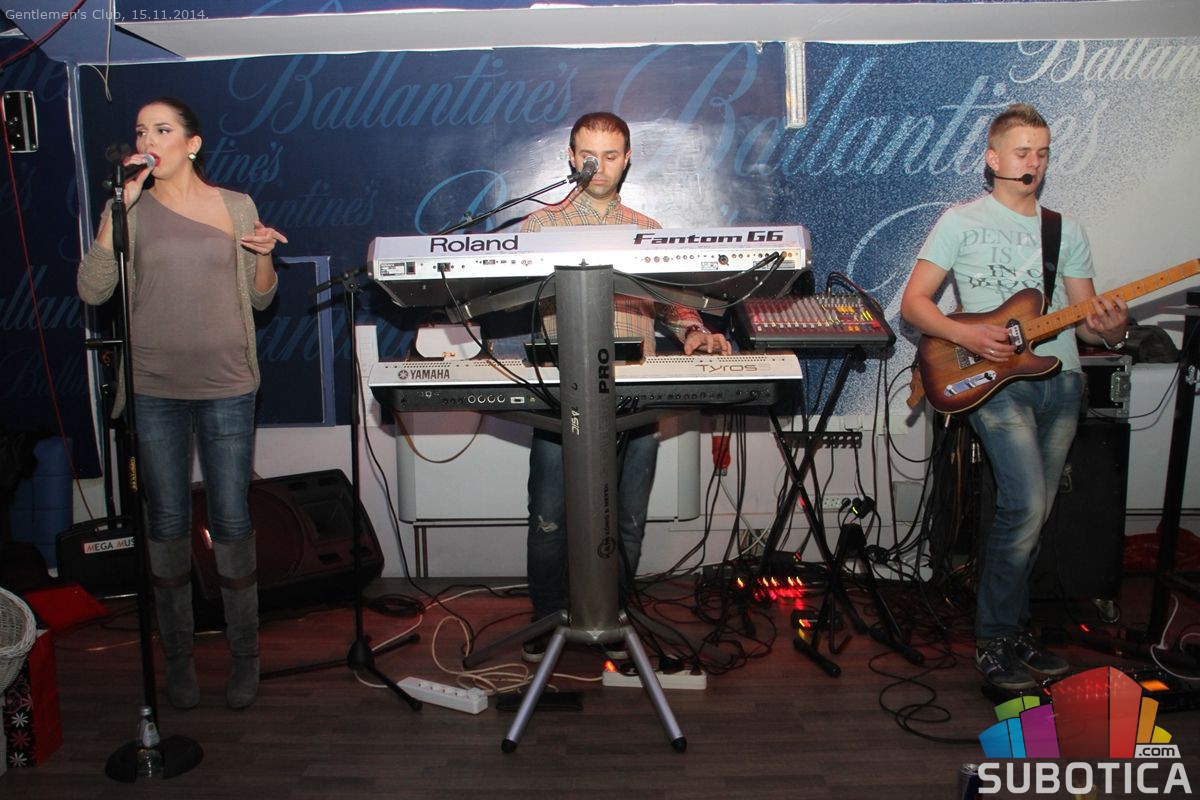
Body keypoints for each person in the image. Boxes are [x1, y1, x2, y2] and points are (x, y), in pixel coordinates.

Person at [900, 103, 1128, 691]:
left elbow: (1086, 325)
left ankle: (1016, 631)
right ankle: (996, 639)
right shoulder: (960, 222)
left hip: (1061, 378)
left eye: (1043, 152)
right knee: (1024, 505)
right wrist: (968, 334)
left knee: (1037, 513)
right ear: (993, 158)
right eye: (1023, 151)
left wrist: (1111, 328)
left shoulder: (1064, 230)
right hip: (994, 383)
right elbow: (914, 304)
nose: (1034, 161)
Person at [78, 97, 288, 709]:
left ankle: (245, 656)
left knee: (231, 520)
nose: (149, 139)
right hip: (154, 387)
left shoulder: (236, 205)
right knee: (166, 523)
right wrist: (114, 216)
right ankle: (177, 659)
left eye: (162, 129)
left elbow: (262, 300)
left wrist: (264, 256)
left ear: (192, 144)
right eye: (141, 131)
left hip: (227, 383)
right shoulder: (128, 209)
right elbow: (93, 289)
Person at [520, 111, 731, 661]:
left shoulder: (646, 228)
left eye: (611, 156)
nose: (599, 166)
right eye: (589, 156)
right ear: (571, 158)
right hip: (562, 398)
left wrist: (693, 332)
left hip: (635, 395)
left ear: (628, 159)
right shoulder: (538, 228)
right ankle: (547, 622)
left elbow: (674, 303)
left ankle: (613, 620)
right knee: (550, 520)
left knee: (627, 521)